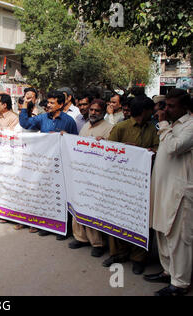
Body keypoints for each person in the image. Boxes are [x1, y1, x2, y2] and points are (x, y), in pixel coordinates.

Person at [102, 95, 159, 275]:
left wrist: (150, 152)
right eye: (151, 110)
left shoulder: (153, 130)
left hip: (143, 184)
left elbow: (159, 150)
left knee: (140, 221)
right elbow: (107, 154)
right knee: (117, 218)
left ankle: (138, 258)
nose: (153, 113)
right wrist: (124, 150)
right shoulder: (120, 128)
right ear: (144, 111)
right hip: (120, 183)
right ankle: (118, 253)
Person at [145, 89, 192, 296]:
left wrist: (163, 124)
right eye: (166, 105)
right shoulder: (171, 125)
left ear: (185, 107)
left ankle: (180, 283)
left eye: (172, 106)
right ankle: (167, 272)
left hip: (179, 191)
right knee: (161, 230)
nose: (167, 110)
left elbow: (174, 147)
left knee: (178, 236)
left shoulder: (190, 125)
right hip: (162, 188)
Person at [19, 90, 77, 237]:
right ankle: (49, 225)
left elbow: (75, 143)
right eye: (48, 102)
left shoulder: (69, 121)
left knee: (62, 197)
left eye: (52, 103)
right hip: (45, 165)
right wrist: (25, 105)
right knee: (48, 195)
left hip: (62, 165)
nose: (49, 105)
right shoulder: (42, 118)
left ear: (61, 104)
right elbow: (25, 124)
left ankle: (64, 229)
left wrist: (65, 136)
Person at [69, 99, 113, 257]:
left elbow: (112, 152)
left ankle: (97, 243)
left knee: (93, 208)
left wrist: (105, 144)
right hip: (81, 172)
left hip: (97, 175)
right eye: (92, 110)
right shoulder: (86, 126)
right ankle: (80, 238)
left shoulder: (108, 128)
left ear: (103, 112)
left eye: (97, 110)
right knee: (78, 204)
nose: (93, 113)